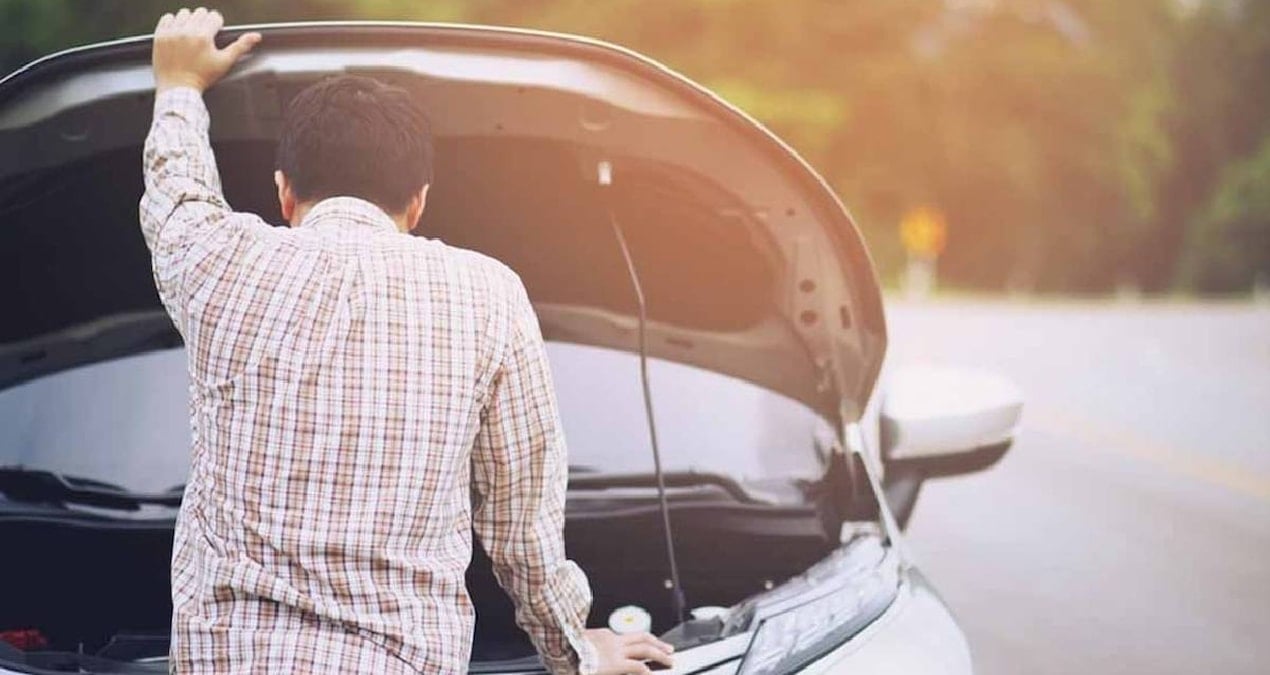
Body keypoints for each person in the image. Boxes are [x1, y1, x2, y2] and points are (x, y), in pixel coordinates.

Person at [141, 8, 674, 674]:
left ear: (283, 193)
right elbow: (521, 521)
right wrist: (573, 649)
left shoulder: (221, 263)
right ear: (418, 202)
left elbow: (178, 191)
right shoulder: (489, 295)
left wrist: (179, 87)